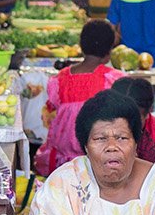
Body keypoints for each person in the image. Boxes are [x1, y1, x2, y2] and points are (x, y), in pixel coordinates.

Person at [37, 21, 127, 175]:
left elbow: (51, 113)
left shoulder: (59, 80)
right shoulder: (114, 79)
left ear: (81, 46)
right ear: (108, 52)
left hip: (63, 162)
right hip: (100, 160)